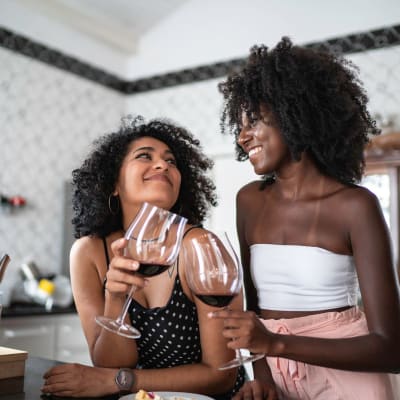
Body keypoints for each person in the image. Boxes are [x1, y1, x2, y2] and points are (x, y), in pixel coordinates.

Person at [209, 37, 400, 399]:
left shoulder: (355, 206)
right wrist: (263, 378)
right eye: (238, 124)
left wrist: (276, 343)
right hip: (279, 379)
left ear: (294, 112)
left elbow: (390, 349)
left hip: (349, 382)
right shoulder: (249, 200)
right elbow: (255, 311)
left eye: (253, 120)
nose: (242, 136)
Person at [41, 116, 245, 398]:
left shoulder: (199, 245)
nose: (163, 165)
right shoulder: (89, 252)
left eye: (171, 161)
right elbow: (109, 364)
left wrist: (120, 381)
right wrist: (115, 300)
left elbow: (220, 375)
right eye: (144, 156)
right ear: (113, 182)